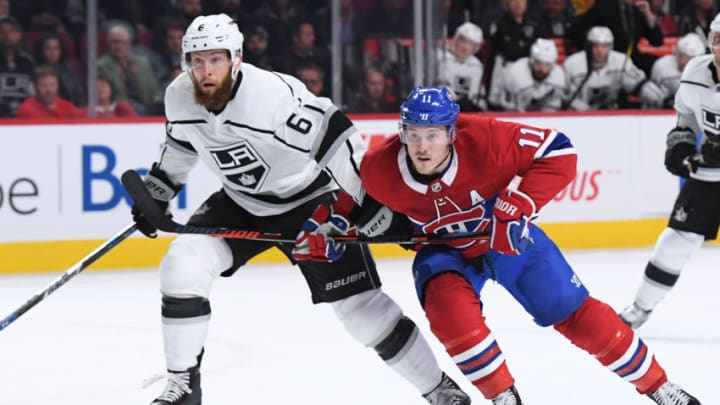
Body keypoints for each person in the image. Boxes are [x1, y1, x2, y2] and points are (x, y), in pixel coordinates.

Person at [131, 13, 470, 405]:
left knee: (363, 312)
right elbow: (181, 146)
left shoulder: (270, 98)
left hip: (312, 201)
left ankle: (439, 390)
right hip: (241, 203)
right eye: (198, 60)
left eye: (216, 59)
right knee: (181, 265)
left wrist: (370, 204)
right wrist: (158, 191)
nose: (207, 70)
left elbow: (338, 137)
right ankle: (183, 388)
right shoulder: (179, 96)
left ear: (236, 59)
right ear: (185, 62)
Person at [294, 86, 703, 405]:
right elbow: (351, 204)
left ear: (452, 132)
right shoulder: (381, 167)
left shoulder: (488, 139)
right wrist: (324, 230)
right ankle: (503, 396)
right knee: (449, 313)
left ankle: (659, 387)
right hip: (444, 252)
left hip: (503, 238)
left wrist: (518, 205)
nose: (421, 146)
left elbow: (560, 150)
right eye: (413, 134)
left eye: (432, 135)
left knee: (577, 314)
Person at [618, 13, 720, 331]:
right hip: (710, 172)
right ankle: (639, 309)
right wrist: (681, 146)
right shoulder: (695, 71)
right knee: (675, 240)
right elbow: (686, 116)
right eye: (718, 40)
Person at [563, 26, 663, 110]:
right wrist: (587, 112)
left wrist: (651, 93)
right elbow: (566, 97)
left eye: (604, 46)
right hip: (580, 116)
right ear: (588, 46)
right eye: (595, 46)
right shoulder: (572, 64)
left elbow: (637, 83)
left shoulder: (621, 61)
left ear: (611, 47)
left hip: (612, 114)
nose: (600, 51)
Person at [499, 38, 569, 111]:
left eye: (547, 64)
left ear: (553, 65)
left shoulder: (559, 78)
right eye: (538, 63)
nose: (542, 69)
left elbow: (556, 108)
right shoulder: (515, 72)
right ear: (532, 60)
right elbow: (505, 104)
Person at [437, 22, 487, 112]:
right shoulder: (440, 58)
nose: (465, 47)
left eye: (471, 44)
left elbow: (479, 98)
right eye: (463, 41)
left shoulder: (477, 66)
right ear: (456, 39)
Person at [650, 33, 706, 108]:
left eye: (694, 59)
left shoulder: (707, 72)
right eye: (686, 57)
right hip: (662, 112)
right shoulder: (662, 67)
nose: (690, 63)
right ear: (678, 54)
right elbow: (652, 96)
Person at [15, 65, 80, 118]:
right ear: (35, 87)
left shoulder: (69, 108)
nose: (49, 90)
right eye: (43, 85)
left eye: (52, 85)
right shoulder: (25, 110)